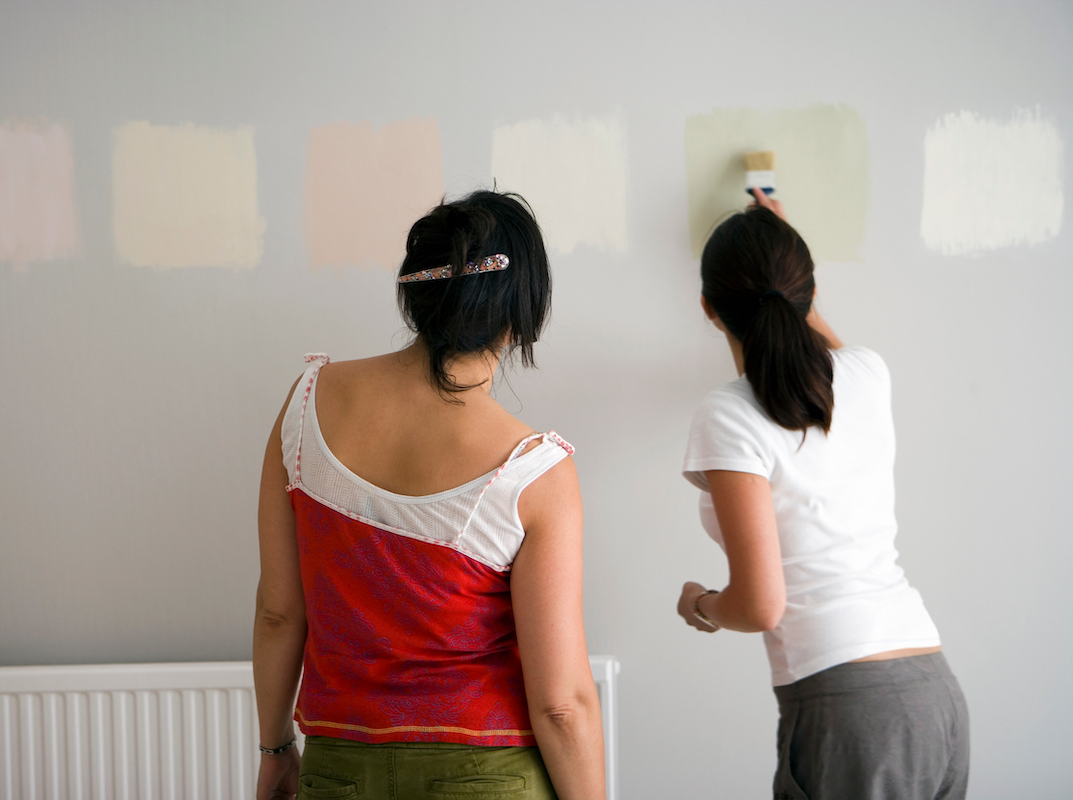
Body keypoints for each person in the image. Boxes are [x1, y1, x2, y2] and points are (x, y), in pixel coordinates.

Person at [253, 190, 606, 800]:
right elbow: (561, 706)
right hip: (488, 776)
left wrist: (275, 751)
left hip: (339, 769)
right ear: (520, 310)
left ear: (415, 293)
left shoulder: (307, 404)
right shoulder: (533, 471)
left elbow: (279, 613)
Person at [677, 189, 970, 799]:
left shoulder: (728, 416)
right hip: (934, 690)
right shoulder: (867, 372)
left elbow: (761, 607)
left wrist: (700, 604)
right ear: (809, 291)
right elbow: (809, 331)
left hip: (849, 709)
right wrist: (788, 261)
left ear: (708, 308)